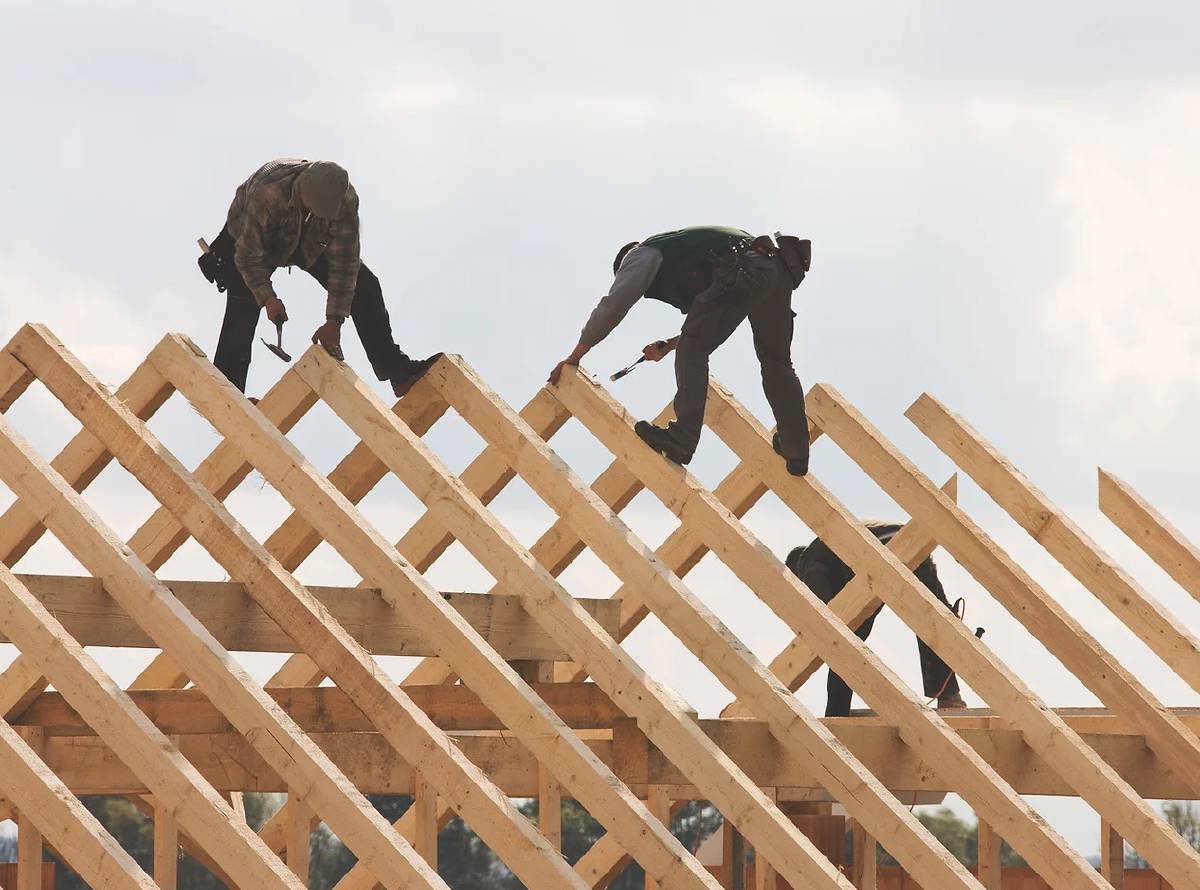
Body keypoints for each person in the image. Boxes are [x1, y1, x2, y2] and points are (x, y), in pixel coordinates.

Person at [548, 226, 811, 474]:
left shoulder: (642, 254)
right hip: (774, 270)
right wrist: (670, 345)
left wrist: (575, 357)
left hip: (748, 267)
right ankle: (795, 449)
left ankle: (681, 439)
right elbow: (713, 315)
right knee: (777, 362)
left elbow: (613, 306)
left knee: (694, 351)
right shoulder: (691, 253)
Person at [198, 158, 438, 395]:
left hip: (309, 241)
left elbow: (346, 264)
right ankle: (227, 394)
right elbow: (248, 258)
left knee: (365, 287)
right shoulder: (268, 192)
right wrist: (268, 299)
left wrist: (334, 321)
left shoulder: (343, 199)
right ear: (301, 192)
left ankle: (397, 370)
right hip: (251, 237)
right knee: (242, 307)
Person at [787, 523, 969, 717]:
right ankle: (950, 697)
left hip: (882, 561)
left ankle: (836, 713)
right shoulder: (832, 547)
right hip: (914, 549)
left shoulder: (807, 560)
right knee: (932, 623)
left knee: (841, 643)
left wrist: (827, 626)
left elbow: (827, 606)